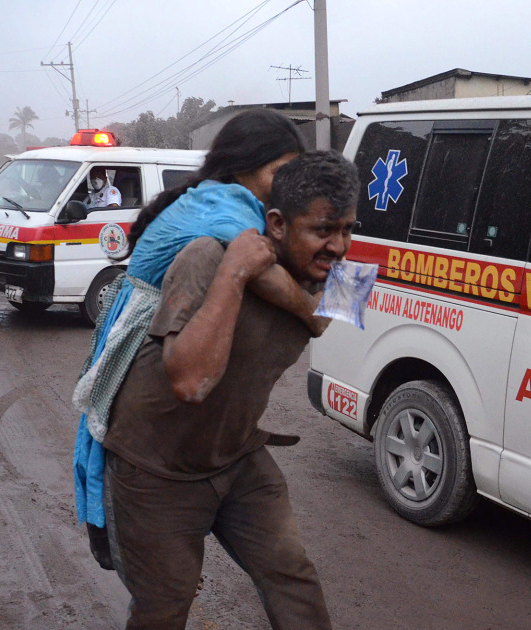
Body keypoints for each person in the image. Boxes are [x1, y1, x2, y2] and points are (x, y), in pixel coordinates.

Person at [101, 150, 359, 629]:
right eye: (323, 230)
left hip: (236, 455)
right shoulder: (207, 257)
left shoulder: (336, 272)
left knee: (293, 578)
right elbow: (190, 382)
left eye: (348, 229)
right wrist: (236, 274)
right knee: (165, 606)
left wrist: (295, 292)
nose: (340, 247)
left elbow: (324, 320)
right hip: (156, 468)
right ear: (277, 224)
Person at [73, 109, 323, 566]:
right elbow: (263, 273)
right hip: (147, 342)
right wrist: (315, 313)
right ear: (243, 166)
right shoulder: (225, 203)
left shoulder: (235, 201)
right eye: (279, 173)